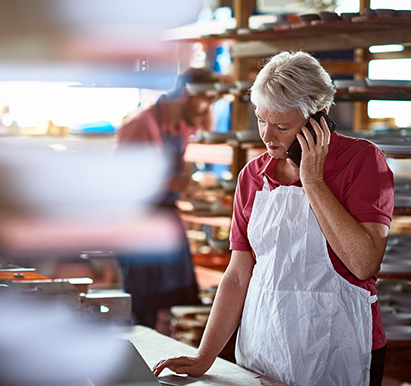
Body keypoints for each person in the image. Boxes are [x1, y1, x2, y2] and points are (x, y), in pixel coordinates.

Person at [153, 51, 394, 386]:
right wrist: (204, 356)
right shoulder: (253, 175)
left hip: (340, 347)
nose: (267, 137)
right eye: (261, 120)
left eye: (282, 126)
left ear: (318, 119)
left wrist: (313, 181)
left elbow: (363, 262)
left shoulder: (362, 161)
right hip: (266, 347)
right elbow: (238, 275)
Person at [114, 67, 219, 332]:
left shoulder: (181, 122)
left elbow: (208, 125)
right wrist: (171, 183)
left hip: (166, 218)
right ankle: (141, 362)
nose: (207, 107)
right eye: (204, 98)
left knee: (177, 300)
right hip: (137, 222)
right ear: (185, 93)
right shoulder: (140, 126)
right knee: (145, 307)